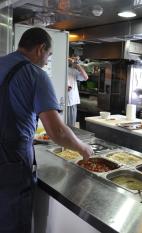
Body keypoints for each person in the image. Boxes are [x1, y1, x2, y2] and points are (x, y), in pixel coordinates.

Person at [0, 27, 93, 233]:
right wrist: (82, 148)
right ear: (41, 49)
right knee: (12, 222)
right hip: (11, 162)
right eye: (49, 55)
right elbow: (57, 132)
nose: (47, 61)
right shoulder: (36, 74)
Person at [67, 56, 88, 127]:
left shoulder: (72, 70)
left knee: (70, 127)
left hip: (71, 102)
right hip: (61, 102)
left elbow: (85, 77)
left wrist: (77, 65)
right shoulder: (57, 69)